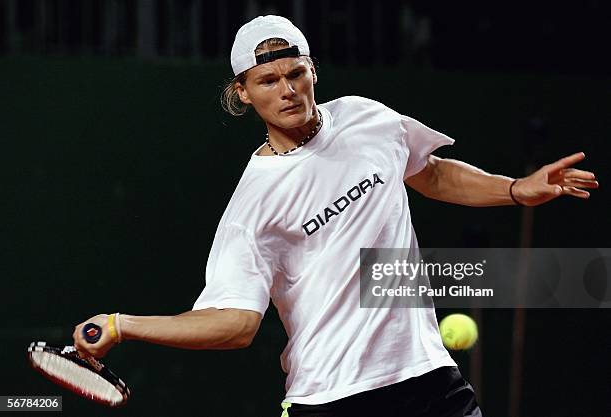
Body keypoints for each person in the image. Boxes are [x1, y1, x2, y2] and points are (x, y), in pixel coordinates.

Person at [73, 15, 598, 417]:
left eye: (296, 73)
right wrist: (124, 325)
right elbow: (233, 325)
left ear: (312, 70)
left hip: (428, 377)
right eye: (268, 80)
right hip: (332, 396)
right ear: (243, 93)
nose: (287, 90)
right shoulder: (250, 208)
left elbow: (429, 172)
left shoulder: (367, 118)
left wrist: (512, 188)